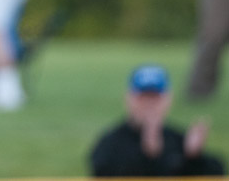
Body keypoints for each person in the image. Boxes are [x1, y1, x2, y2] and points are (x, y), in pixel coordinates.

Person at [89, 64, 225, 177]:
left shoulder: (179, 140)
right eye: (143, 97)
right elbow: (101, 171)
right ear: (128, 99)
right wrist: (148, 157)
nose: (149, 104)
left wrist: (195, 157)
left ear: (168, 100)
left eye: (155, 97)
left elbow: (218, 172)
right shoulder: (111, 142)